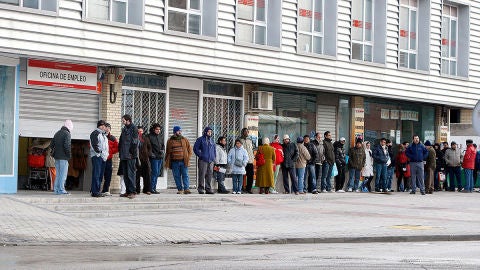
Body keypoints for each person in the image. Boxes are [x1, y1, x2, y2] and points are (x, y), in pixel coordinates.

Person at [165, 126, 192, 194]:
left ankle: (186, 189)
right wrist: (167, 160)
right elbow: (168, 151)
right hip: (174, 162)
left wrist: (188, 158)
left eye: (180, 131)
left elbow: (189, 150)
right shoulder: (170, 140)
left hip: (183, 161)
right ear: (174, 132)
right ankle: (180, 189)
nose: (180, 132)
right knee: (176, 176)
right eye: (178, 131)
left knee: (185, 175)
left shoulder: (184, 139)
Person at [119, 114, 139, 199]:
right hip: (124, 155)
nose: (122, 122)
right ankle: (127, 191)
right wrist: (120, 152)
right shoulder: (124, 129)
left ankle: (132, 192)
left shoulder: (134, 128)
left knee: (131, 174)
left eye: (123, 121)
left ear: (128, 120)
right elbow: (121, 141)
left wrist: (131, 153)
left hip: (130, 155)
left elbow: (135, 142)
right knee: (126, 174)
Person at [50, 119, 73, 195]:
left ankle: (56, 190)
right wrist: (69, 155)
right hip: (63, 157)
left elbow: (51, 145)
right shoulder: (67, 134)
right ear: (69, 127)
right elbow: (67, 146)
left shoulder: (57, 133)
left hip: (56, 157)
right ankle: (61, 190)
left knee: (58, 174)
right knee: (63, 174)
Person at [194, 126, 216, 195]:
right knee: (202, 174)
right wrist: (201, 155)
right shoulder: (200, 139)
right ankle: (201, 188)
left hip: (211, 161)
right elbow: (195, 149)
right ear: (205, 132)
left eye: (211, 132)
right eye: (208, 132)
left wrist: (214, 157)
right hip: (203, 160)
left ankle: (208, 188)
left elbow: (214, 150)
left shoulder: (212, 140)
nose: (210, 133)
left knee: (209, 175)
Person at [89, 120, 108, 198]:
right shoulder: (95, 133)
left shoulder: (103, 135)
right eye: (103, 125)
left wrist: (106, 155)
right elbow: (94, 145)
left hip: (103, 157)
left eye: (105, 126)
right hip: (97, 156)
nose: (104, 127)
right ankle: (95, 191)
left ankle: (97, 190)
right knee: (96, 174)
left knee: (100, 174)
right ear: (99, 126)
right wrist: (99, 153)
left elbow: (105, 147)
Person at [101, 123, 118, 196]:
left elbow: (117, 148)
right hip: (101, 159)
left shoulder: (112, 138)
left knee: (108, 176)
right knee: (99, 175)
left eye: (109, 128)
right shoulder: (100, 136)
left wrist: (110, 152)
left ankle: (105, 190)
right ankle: (97, 190)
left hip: (109, 159)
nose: (107, 129)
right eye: (106, 127)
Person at [148, 123, 165, 194]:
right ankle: (151, 188)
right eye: (157, 129)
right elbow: (148, 147)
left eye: (159, 129)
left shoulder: (160, 137)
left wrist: (163, 150)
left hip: (160, 157)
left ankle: (154, 188)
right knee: (154, 172)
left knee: (157, 173)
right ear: (153, 129)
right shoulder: (149, 136)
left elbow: (163, 145)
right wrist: (151, 154)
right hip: (154, 157)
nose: (158, 131)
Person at [135, 126, 152, 195]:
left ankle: (147, 189)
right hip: (137, 159)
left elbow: (150, 147)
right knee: (137, 175)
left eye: (141, 131)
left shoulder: (146, 138)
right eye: (138, 131)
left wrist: (148, 154)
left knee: (147, 175)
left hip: (145, 159)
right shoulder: (134, 138)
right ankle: (137, 190)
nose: (140, 132)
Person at [239, 128, 255, 194]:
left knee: (250, 175)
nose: (246, 133)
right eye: (245, 132)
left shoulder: (250, 140)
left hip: (250, 161)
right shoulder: (239, 140)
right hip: (242, 161)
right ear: (242, 132)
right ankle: (241, 188)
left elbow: (252, 149)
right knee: (241, 175)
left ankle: (249, 189)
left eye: (247, 132)